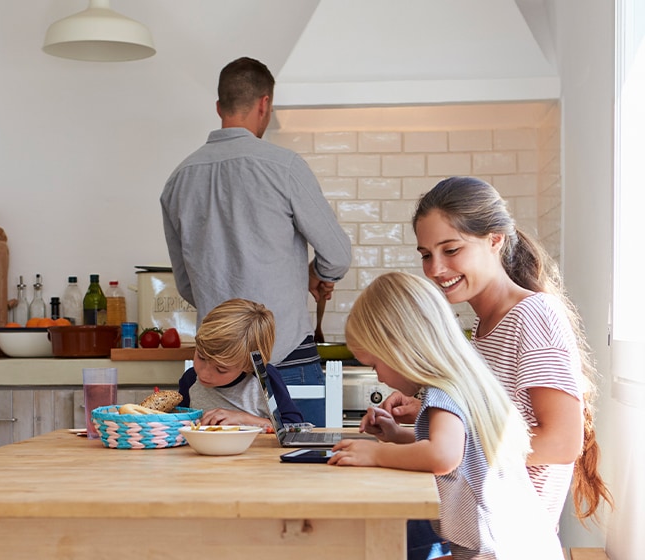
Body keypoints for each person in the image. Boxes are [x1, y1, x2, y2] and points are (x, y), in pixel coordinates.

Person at [380, 176, 612, 527]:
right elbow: (497, 427)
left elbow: (561, 442)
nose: (435, 269)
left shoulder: (533, 316)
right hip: (479, 532)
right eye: (427, 255)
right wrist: (424, 423)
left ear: (494, 240)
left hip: (510, 540)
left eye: (451, 250)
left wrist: (451, 446)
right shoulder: (485, 327)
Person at [161, 56, 351, 428]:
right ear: (265, 104)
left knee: (210, 476)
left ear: (219, 107)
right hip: (286, 361)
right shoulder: (284, 166)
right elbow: (338, 257)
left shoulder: (178, 180)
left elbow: (187, 286)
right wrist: (313, 274)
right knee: (298, 470)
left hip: (214, 372)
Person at [330, 272, 564, 560]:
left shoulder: (443, 391)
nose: (377, 374)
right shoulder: (464, 380)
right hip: (518, 545)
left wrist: (376, 454)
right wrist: (397, 435)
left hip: (496, 552)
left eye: (375, 363)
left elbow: (443, 456)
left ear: (401, 349)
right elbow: (464, 447)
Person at [176, 298, 301, 428]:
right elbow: (177, 424)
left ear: (248, 366)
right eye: (201, 357)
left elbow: (294, 427)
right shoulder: (190, 380)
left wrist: (244, 418)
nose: (204, 374)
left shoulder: (263, 379)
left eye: (221, 369)